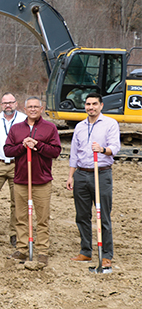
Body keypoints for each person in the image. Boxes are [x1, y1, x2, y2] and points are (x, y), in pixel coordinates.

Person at [4, 96, 61, 267]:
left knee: (42, 218)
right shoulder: (16, 129)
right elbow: (7, 150)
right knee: (21, 217)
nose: (33, 109)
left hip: (41, 180)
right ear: (25, 109)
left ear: (41, 109)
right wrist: (22, 146)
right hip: (21, 180)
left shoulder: (49, 128)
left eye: (36, 106)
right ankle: (22, 248)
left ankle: (42, 250)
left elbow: (56, 151)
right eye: (30, 107)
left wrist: (38, 145)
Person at [66, 92, 120, 268]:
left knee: (102, 215)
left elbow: (115, 147)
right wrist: (70, 176)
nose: (91, 107)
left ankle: (106, 254)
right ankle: (85, 252)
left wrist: (102, 149)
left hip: (101, 173)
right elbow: (74, 153)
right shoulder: (80, 127)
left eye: (94, 104)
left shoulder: (110, 124)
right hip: (81, 174)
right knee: (82, 215)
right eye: (88, 104)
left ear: (101, 106)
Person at [0, 92, 27, 247]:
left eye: (11, 102)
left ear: (16, 103)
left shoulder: (24, 120)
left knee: (17, 201)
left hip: (18, 164)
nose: (8, 105)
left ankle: (15, 234)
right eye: (5, 103)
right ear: (1, 105)